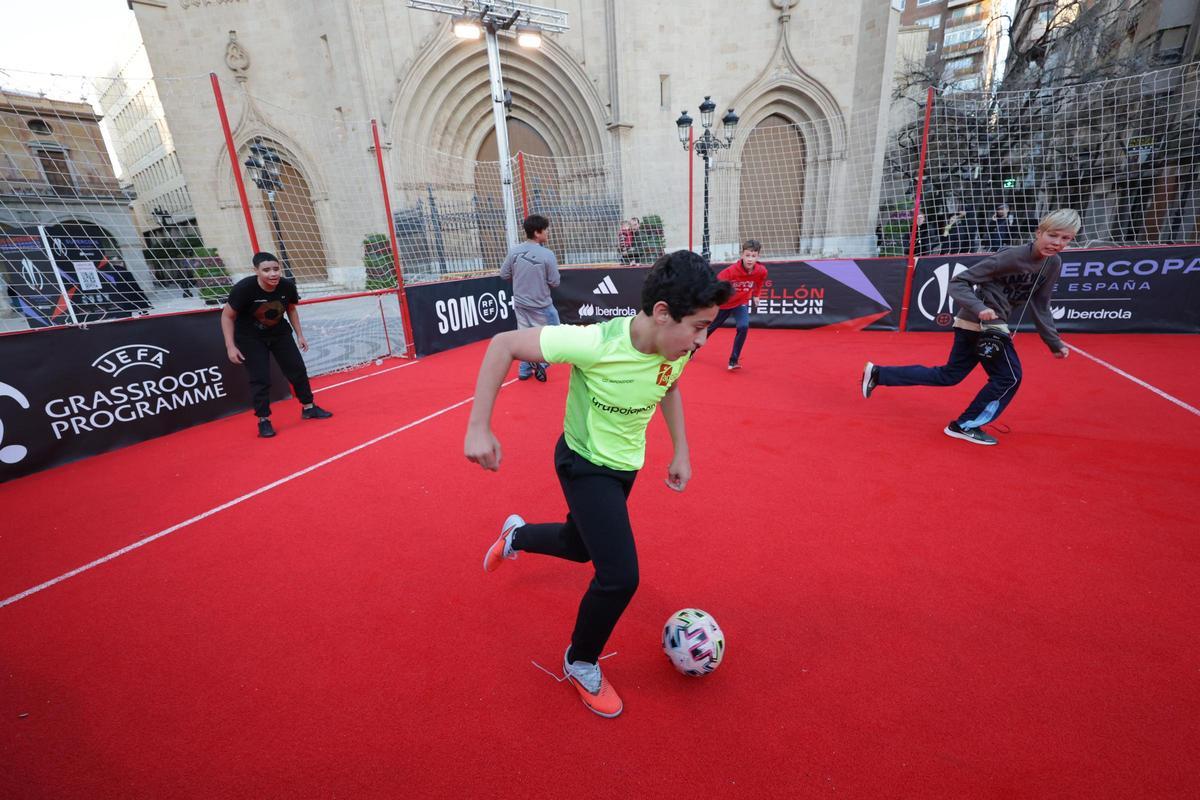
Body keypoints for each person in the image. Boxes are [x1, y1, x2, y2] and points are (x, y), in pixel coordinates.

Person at [465, 250, 732, 717]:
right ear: (663, 313)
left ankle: (517, 536)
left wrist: (681, 452)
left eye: (708, 327)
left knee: (579, 544)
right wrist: (478, 427)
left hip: (625, 467)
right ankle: (580, 660)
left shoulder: (677, 348)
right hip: (583, 464)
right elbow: (503, 344)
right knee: (619, 577)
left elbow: (668, 387)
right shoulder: (596, 343)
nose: (702, 340)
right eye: (698, 326)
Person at [860, 209, 1080, 446]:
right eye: (1053, 235)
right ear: (1039, 232)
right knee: (1009, 377)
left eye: (1065, 238)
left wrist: (1053, 342)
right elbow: (960, 281)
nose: (1057, 243)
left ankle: (879, 373)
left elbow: (1041, 304)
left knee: (949, 375)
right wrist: (978, 308)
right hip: (983, 324)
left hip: (987, 324)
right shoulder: (1010, 256)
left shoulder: (1053, 264)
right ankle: (965, 425)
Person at [221, 251, 332, 438]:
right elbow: (227, 316)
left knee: (297, 370)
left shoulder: (287, 286)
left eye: (276, 269)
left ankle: (309, 407)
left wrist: (300, 335)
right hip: (250, 337)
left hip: (280, 333)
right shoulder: (244, 289)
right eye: (266, 270)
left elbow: (291, 309)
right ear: (256, 271)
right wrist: (230, 346)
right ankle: (263, 420)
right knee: (260, 378)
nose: (272, 274)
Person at [500, 214, 561, 382]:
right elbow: (555, 282)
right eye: (545, 230)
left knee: (525, 336)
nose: (548, 233)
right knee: (557, 336)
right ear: (537, 232)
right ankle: (541, 363)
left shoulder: (514, 251)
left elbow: (504, 274)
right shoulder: (547, 254)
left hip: (520, 304)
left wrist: (522, 278)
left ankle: (525, 369)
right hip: (542, 304)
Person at [706, 239, 767, 370]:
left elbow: (760, 281)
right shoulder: (730, 272)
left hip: (741, 303)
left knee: (744, 326)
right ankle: (691, 351)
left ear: (758, 256)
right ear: (742, 255)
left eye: (753, 256)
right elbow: (715, 286)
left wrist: (756, 295)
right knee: (709, 329)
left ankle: (733, 361)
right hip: (724, 305)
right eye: (747, 255)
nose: (750, 259)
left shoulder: (761, 271)